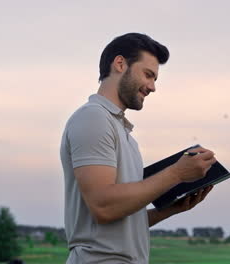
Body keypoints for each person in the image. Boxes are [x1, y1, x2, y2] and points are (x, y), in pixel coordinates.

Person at [60, 33, 216, 263]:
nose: (152, 87)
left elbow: (118, 219)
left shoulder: (123, 133)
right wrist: (176, 173)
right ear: (120, 64)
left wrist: (170, 209)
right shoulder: (93, 118)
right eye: (148, 75)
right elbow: (104, 206)